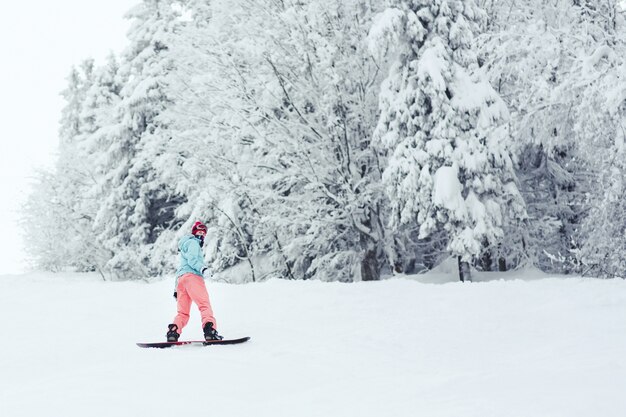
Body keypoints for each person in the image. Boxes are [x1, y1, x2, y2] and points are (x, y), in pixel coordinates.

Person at [166, 221, 223, 342]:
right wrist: (203, 268)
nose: (201, 235)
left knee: (183, 313)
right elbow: (192, 260)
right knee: (204, 305)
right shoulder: (193, 243)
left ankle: (173, 332)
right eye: (199, 232)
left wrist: (177, 289)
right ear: (194, 232)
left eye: (203, 233)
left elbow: (180, 270)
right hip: (193, 278)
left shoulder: (185, 246)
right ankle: (210, 331)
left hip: (182, 281)